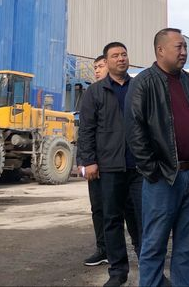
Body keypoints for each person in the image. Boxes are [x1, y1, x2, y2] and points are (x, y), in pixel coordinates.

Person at [125, 28, 189, 287]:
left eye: (185, 47)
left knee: (187, 247)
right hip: (163, 178)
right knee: (154, 245)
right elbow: (134, 129)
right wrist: (152, 170)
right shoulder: (144, 82)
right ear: (160, 50)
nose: (184, 52)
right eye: (179, 47)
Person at [78, 43, 142, 287]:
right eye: (115, 56)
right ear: (108, 60)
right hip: (109, 167)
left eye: (124, 54)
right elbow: (86, 129)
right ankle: (118, 272)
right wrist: (89, 161)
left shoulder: (139, 87)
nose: (121, 58)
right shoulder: (95, 91)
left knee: (141, 220)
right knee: (112, 220)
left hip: (137, 167)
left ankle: (150, 267)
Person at [81, 55, 109, 267]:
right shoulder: (91, 93)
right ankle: (103, 249)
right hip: (97, 164)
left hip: (120, 163)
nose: (97, 70)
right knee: (98, 208)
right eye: (95, 67)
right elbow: (85, 130)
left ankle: (141, 249)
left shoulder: (128, 90)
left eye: (101, 66)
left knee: (129, 210)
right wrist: (87, 160)